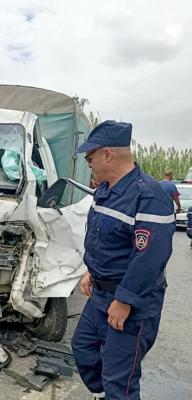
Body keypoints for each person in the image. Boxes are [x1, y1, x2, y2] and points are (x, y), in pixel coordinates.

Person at [71, 121, 175, 400]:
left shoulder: (150, 196)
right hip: (101, 293)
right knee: (83, 348)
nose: (88, 163)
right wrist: (90, 271)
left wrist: (126, 300)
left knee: (121, 380)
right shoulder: (104, 191)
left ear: (107, 154)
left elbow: (151, 257)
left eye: (89, 157)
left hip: (132, 299)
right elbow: (102, 240)